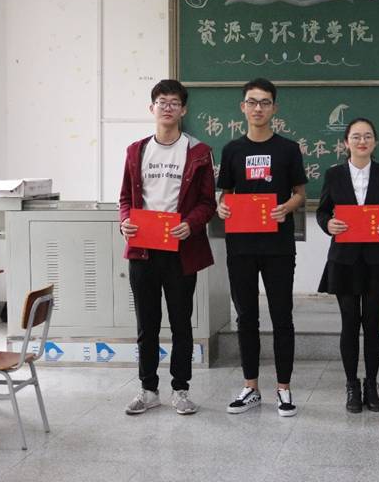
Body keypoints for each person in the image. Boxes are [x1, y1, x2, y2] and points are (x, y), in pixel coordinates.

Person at [119, 79, 216, 416]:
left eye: (174, 102)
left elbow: (207, 202)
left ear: (183, 110)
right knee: (146, 325)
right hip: (143, 249)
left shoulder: (198, 151)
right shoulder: (136, 150)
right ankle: (148, 390)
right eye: (162, 102)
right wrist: (124, 221)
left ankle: (181, 389)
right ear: (152, 108)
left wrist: (191, 223)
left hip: (181, 249)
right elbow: (125, 199)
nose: (168, 107)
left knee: (180, 323)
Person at [216, 78, 307, 417]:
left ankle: (284, 388)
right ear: (243, 107)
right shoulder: (232, 150)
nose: (258, 108)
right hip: (240, 245)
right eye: (252, 102)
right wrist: (221, 207)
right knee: (246, 317)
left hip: (278, 246)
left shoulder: (288, 149)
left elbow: (300, 193)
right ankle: (250, 387)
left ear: (274, 108)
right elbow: (225, 195)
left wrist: (287, 207)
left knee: (282, 316)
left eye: (265, 102)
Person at [316, 118, 379, 413]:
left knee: (373, 323)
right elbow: (323, 211)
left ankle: (372, 384)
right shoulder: (334, 174)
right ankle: (352, 385)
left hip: (376, 259)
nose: (362, 141)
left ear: (375, 142)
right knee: (350, 323)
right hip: (344, 259)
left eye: (368, 136)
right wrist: (328, 224)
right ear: (346, 143)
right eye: (356, 136)